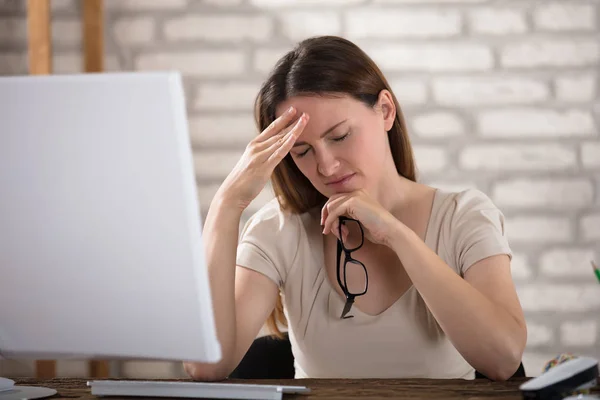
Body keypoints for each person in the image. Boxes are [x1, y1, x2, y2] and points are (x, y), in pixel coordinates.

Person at [183, 35, 527, 382]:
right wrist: (226, 204)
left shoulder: (464, 216)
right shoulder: (277, 231)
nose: (327, 167)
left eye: (340, 136)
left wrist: (394, 233)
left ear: (385, 111)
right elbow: (205, 367)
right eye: (302, 152)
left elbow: (503, 360)